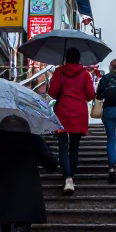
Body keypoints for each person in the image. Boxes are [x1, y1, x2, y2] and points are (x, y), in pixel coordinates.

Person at [47, 47, 96, 195]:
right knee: (74, 146)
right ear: (79, 59)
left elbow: (52, 92)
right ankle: (71, 177)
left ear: (66, 58)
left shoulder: (59, 72)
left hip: (62, 112)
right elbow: (90, 95)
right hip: (79, 113)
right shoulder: (85, 74)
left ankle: (67, 177)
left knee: (62, 145)